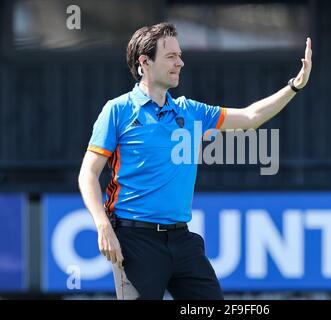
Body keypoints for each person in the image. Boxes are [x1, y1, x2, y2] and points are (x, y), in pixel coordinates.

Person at [78, 22, 312, 300]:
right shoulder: (117, 110)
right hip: (134, 241)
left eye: (180, 55)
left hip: (182, 240)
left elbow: (251, 117)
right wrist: (103, 226)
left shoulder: (190, 111)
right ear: (145, 62)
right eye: (171, 56)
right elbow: (88, 175)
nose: (181, 62)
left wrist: (294, 86)